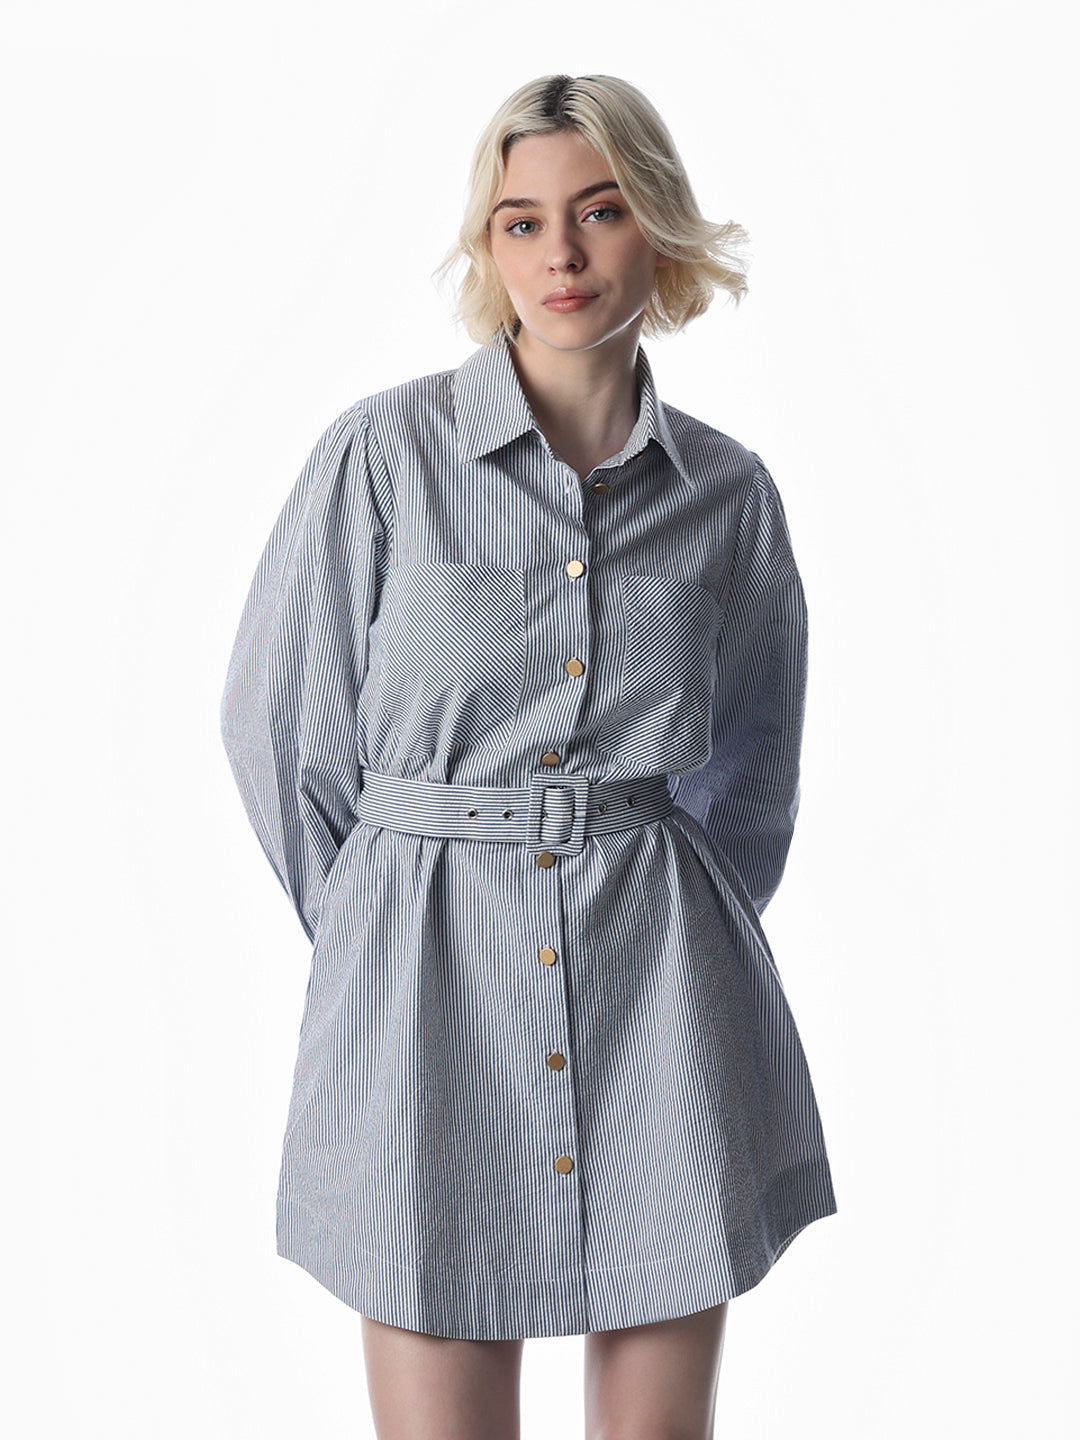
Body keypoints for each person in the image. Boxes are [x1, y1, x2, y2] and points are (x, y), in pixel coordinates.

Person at [220, 72, 837, 1440]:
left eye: (600, 211)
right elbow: (280, 724)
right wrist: (380, 920)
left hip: (658, 1001)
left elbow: (756, 766)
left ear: (659, 229)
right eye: (521, 221)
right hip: (424, 1000)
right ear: (487, 245)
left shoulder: (728, 496)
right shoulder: (385, 458)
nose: (560, 252)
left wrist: (659, 903)